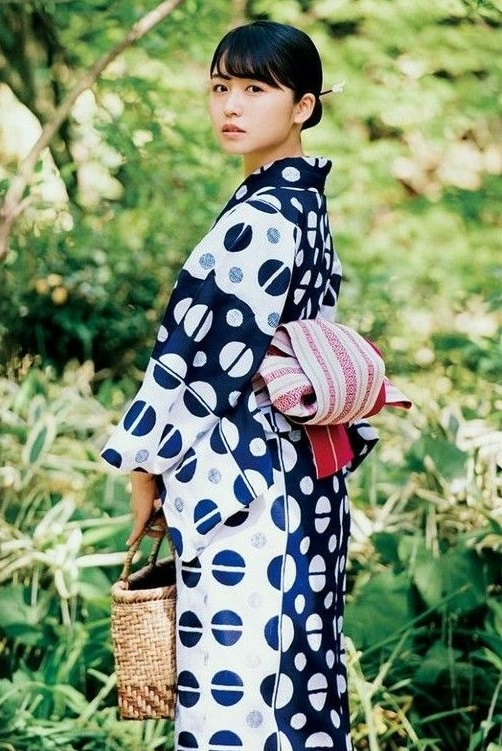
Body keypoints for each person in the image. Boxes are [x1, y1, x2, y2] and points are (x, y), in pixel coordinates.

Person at [101, 19, 378, 751]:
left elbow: (198, 363)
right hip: (307, 473)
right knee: (296, 680)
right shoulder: (303, 205)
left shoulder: (260, 218)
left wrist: (144, 467)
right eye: (221, 86)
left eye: (257, 89)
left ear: (304, 106)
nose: (230, 105)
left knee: (243, 690)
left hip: (250, 488)